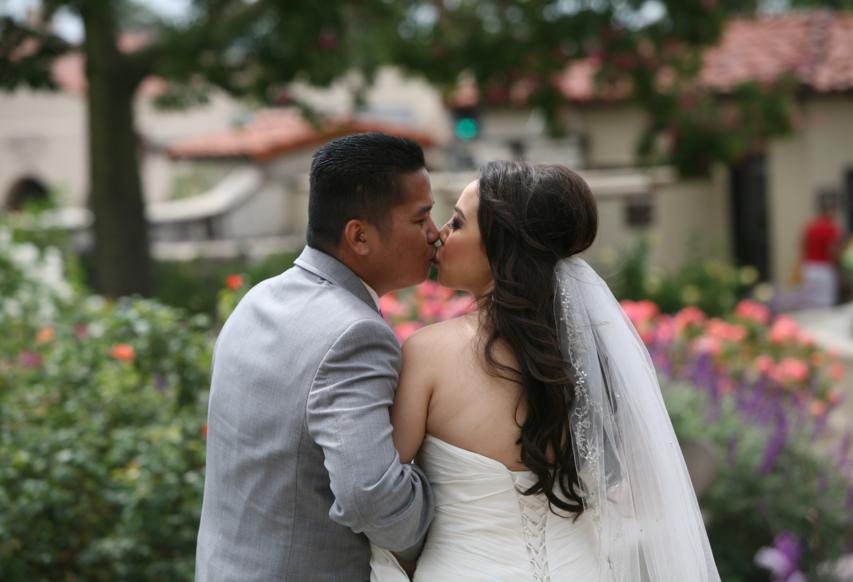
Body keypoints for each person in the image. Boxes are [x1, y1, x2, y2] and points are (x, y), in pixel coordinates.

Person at [371, 161, 720, 581]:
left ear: (501, 246)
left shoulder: (428, 353)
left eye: (458, 223)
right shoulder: (593, 356)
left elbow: (382, 495)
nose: (441, 233)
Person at [196, 133, 438, 581]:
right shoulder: (354, 334)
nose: (435, 233)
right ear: (359, 236)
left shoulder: (257, 299)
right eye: (420, 218)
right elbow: (370, 497)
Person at [799, 194, 842, 307]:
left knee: (810, 303)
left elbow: (803, 246)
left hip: (809, 268)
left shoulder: (810, 226)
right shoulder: (831, 228)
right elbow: (833, 251)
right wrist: (838, 268)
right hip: (824, 269)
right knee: (826, 304)